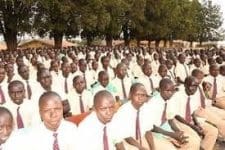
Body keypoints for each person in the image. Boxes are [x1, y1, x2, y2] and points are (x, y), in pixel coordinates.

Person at [112, 83, 155, 150]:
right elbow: (126, 136)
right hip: (126, 142)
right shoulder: (123, 112)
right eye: (137, 95)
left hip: (141, 139)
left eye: (143, 95)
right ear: (130, 95)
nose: (140, 98)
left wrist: (153, 148)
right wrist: (141, 148)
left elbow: (148, 131)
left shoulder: (147, 108)